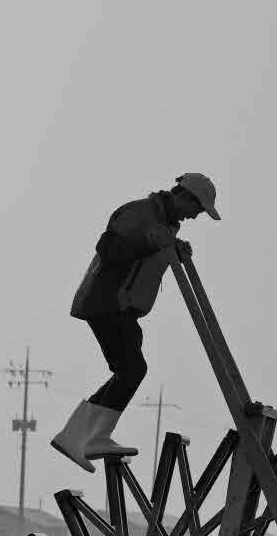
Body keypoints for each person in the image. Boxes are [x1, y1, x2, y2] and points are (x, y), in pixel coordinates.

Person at [51, 173, 221, 472]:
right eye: (197, 208)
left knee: (127, 370)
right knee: (132, 369)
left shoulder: (166, 224)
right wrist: (152, 241)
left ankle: (74, 436)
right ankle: (93, 437)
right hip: (107, 302)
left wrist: (173, 249)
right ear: (184, 197)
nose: (196, 216)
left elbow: (150, 253)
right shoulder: (139, 212)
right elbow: (109, 249)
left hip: (124, 308)